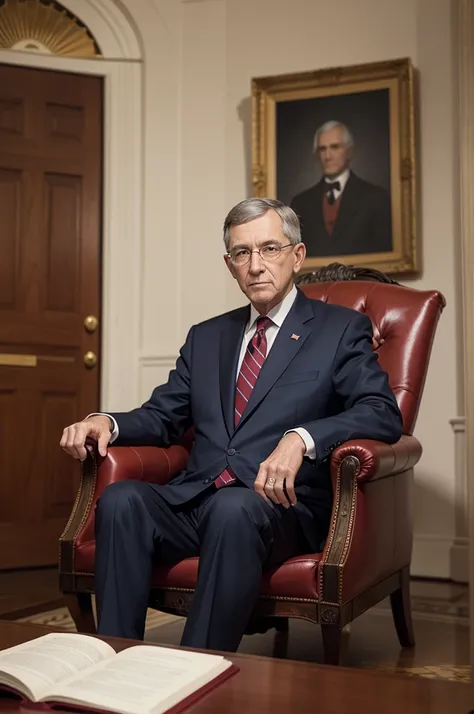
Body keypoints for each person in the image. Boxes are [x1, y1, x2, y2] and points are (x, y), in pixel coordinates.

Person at [60, 197, 402, 653]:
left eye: (270, 249)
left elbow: (382, 410)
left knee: (234, 508)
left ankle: (195, 666)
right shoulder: (207, 337)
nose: (256, 265)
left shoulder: (340, 330)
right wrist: (104, 421)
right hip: (198, 497)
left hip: (277, 508)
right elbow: (163, 417)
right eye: (242, 253)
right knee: (122, 500)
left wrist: (302, 439)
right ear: (230, 265)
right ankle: (115, 658)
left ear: (297, 256)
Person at [290, 120, 393, 257]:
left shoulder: (376, 198)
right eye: (322, 149)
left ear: (349, 151)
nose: (327, 156)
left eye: (334, 147)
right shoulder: (300, 203)